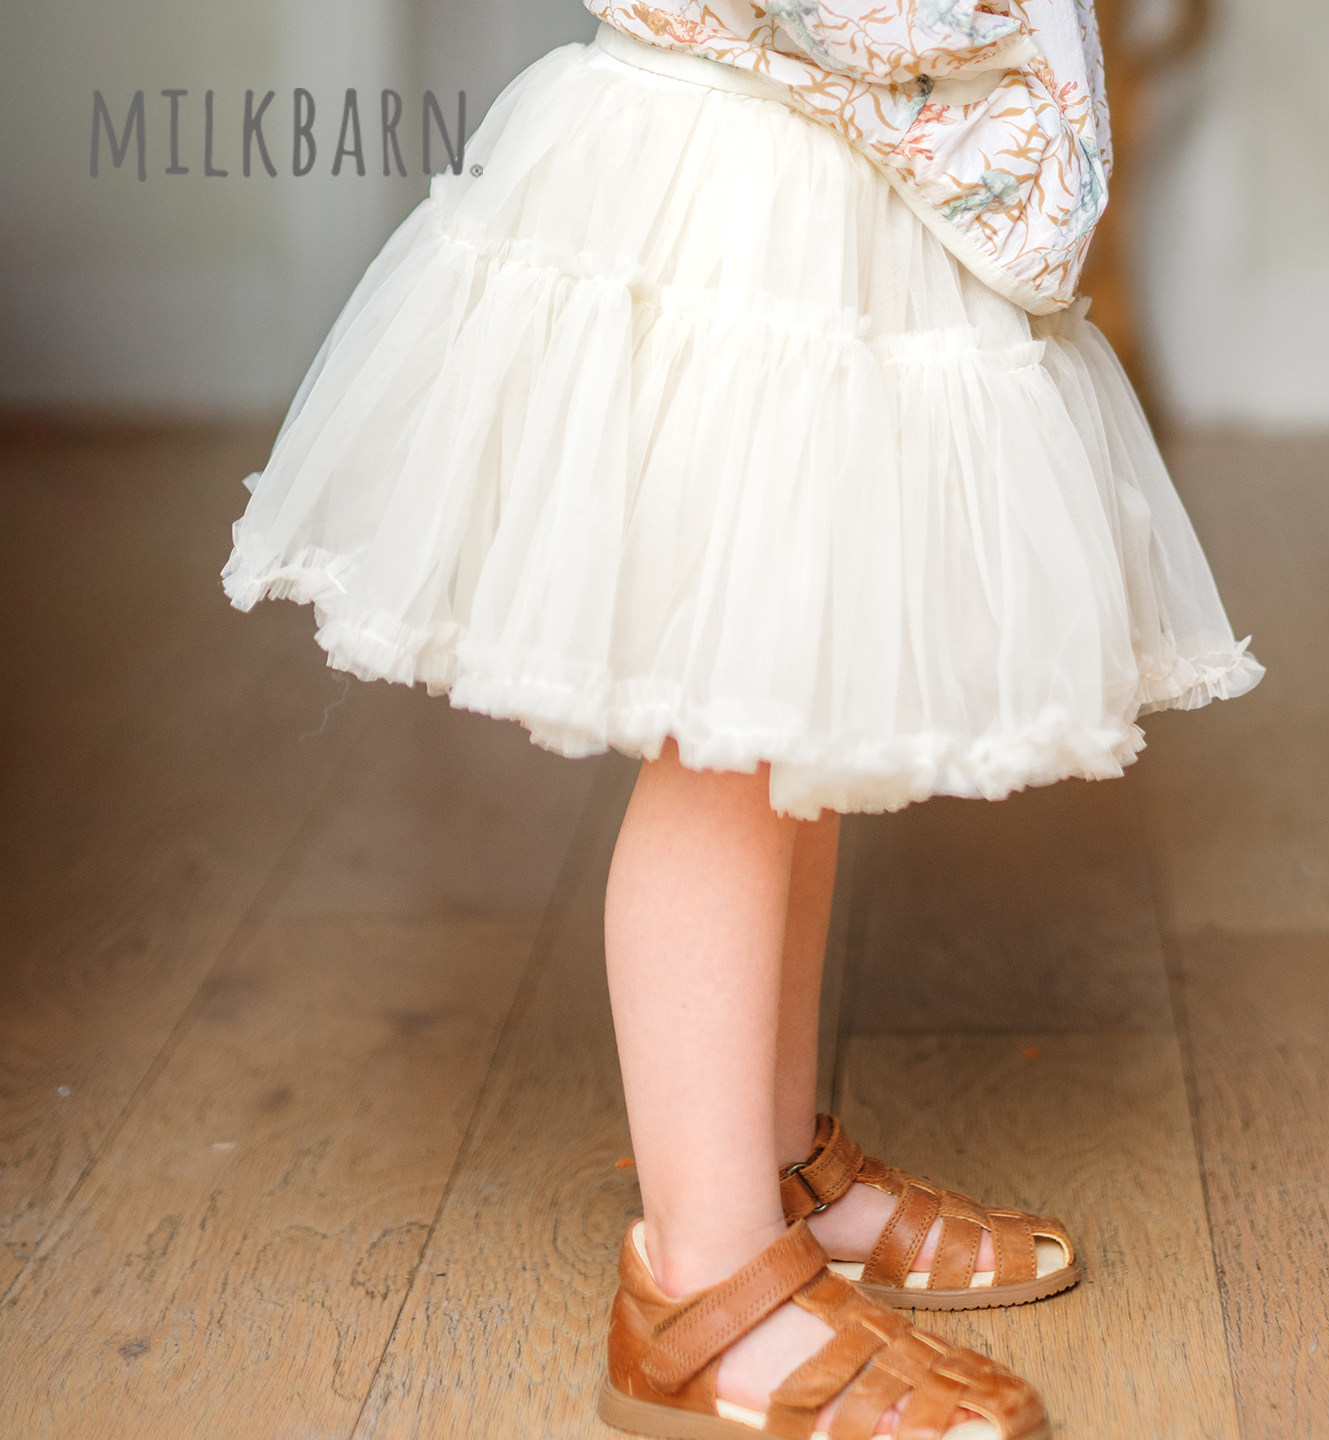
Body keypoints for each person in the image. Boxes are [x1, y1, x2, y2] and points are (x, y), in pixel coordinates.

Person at [223, 3, 1262, 1435]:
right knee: (726, 739)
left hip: (839, 169)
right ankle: (703, 1282)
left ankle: (767, 1175)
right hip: (741, 178)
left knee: (791, 694)